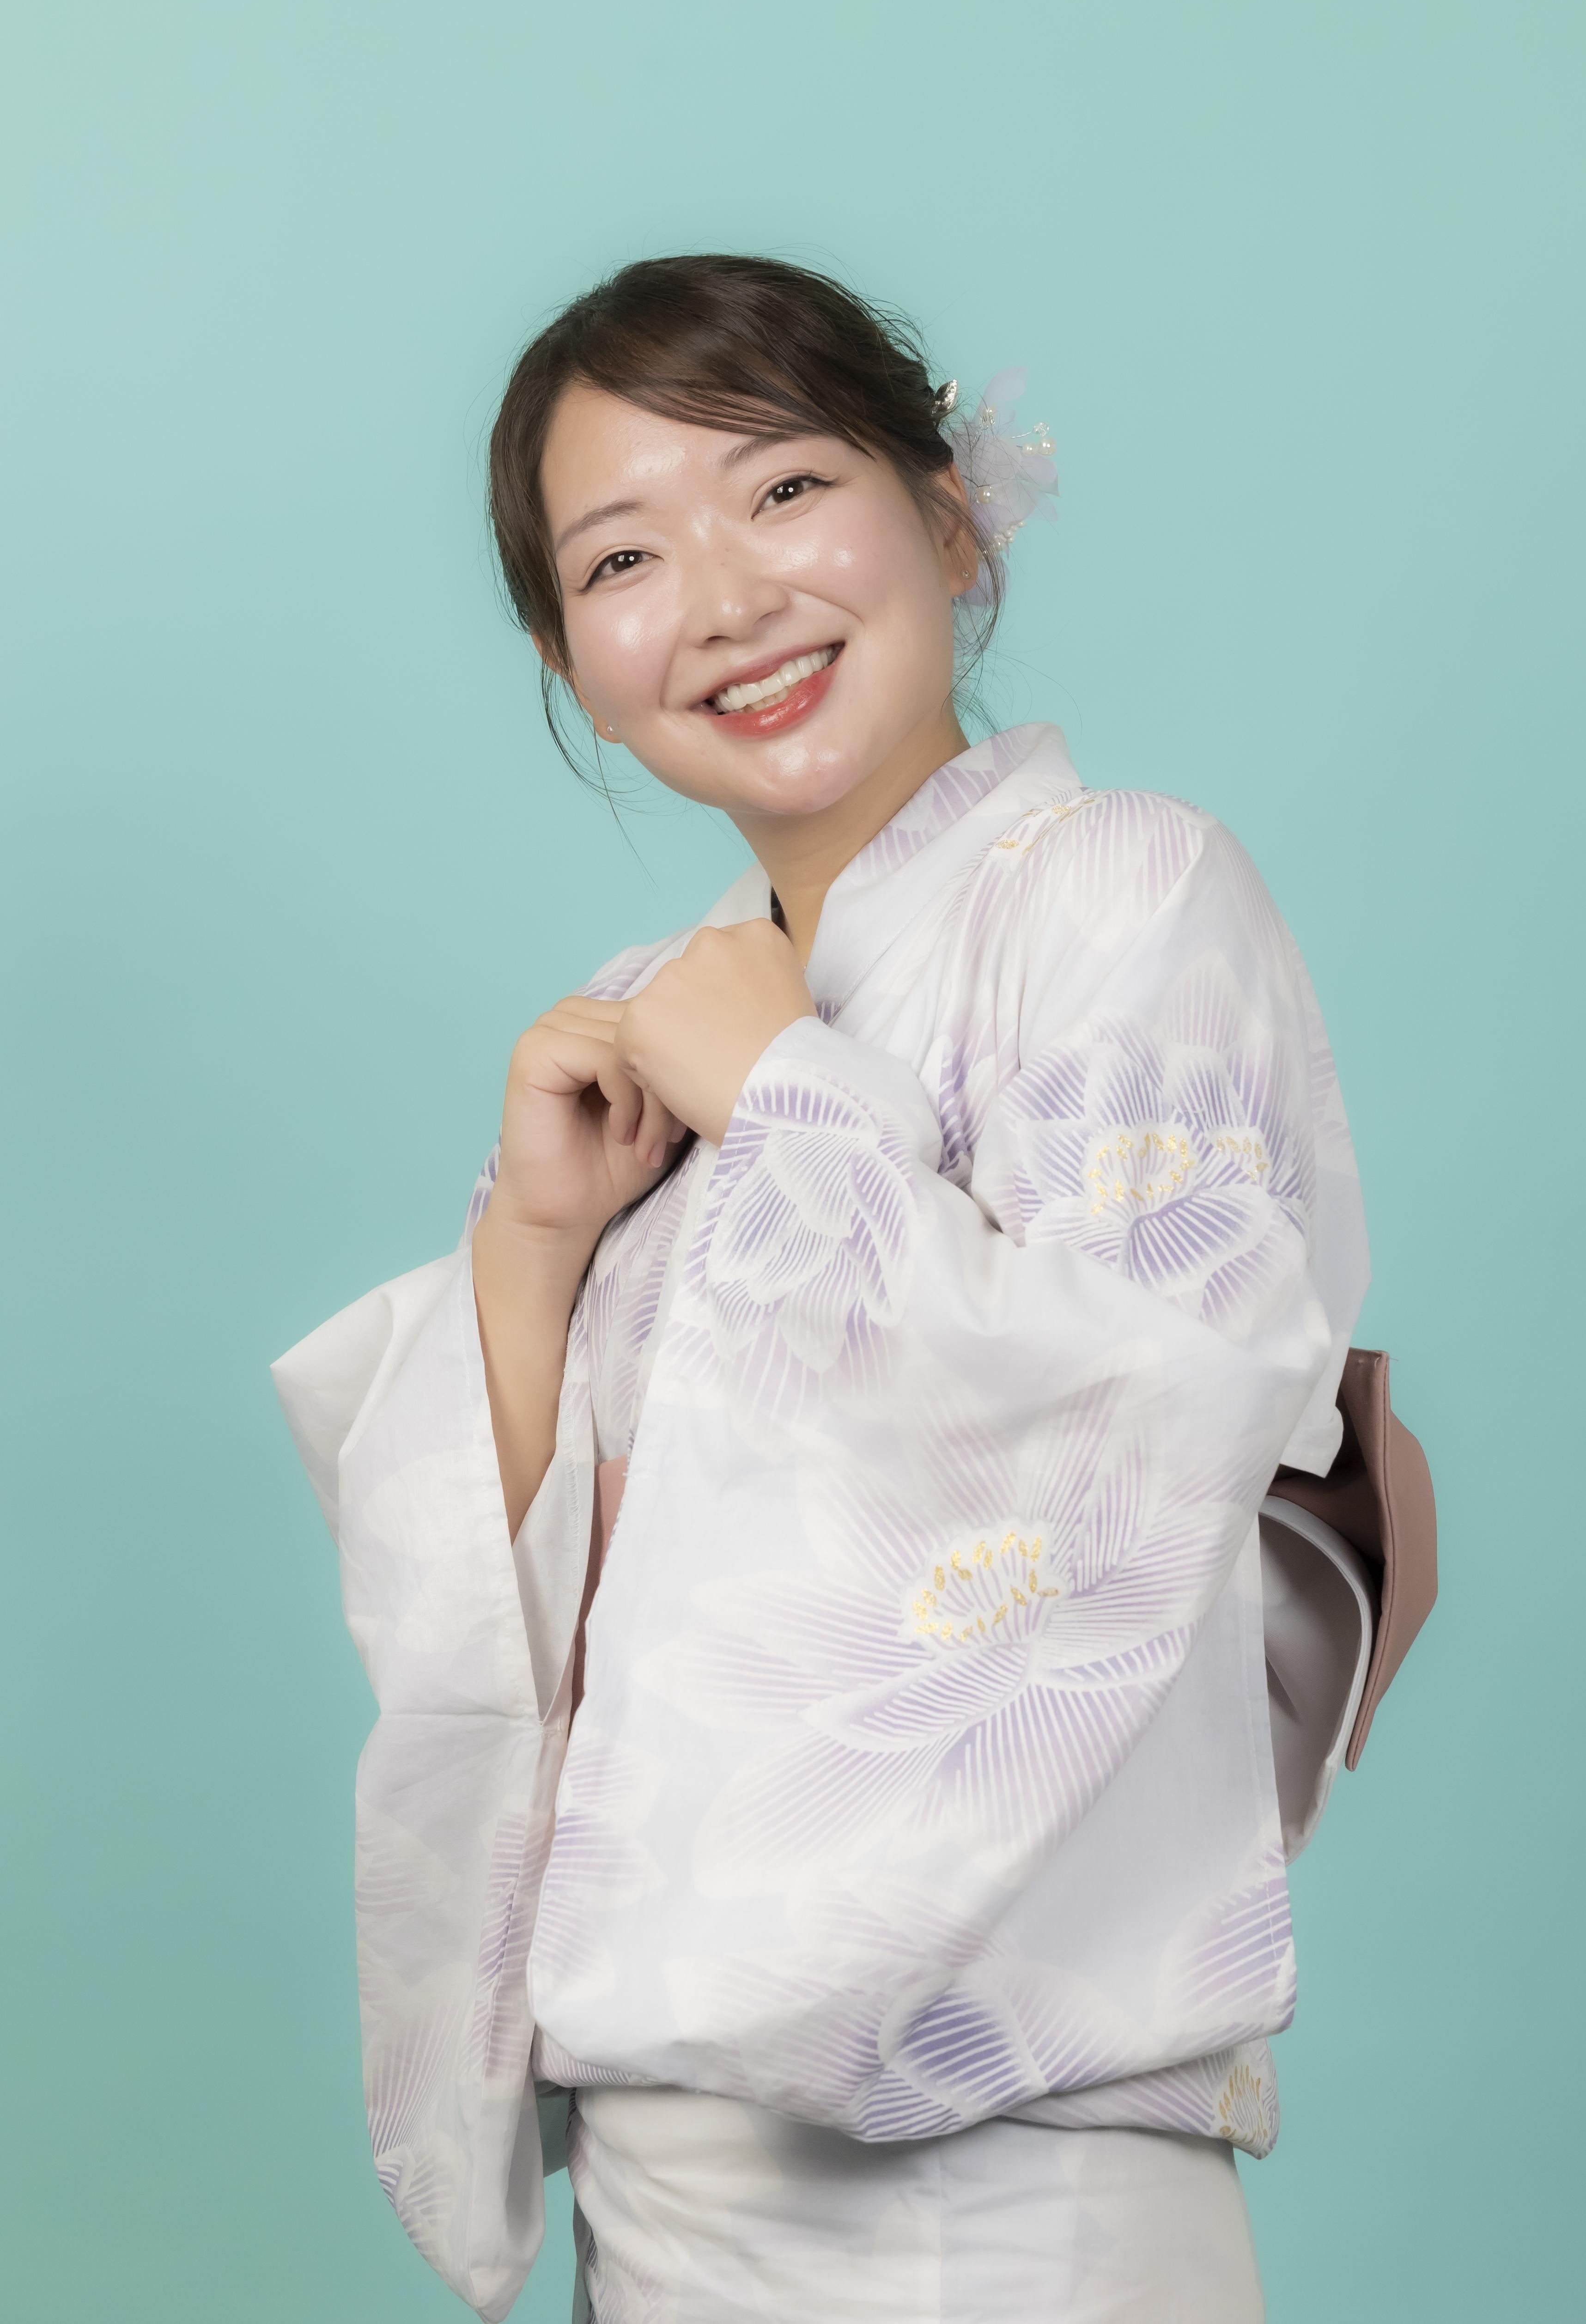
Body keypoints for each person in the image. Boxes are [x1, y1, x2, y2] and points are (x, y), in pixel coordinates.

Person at [273, 254, 1370, 2323]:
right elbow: (502, 1632)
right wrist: (532, 1249)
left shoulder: (1120, 889)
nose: (722, 596)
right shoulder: (648, 1024)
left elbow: (1152, 1416)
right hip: (666, 2176)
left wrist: (786, 1090)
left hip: (1009, 2170)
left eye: (782, 489)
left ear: (946, 518)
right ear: (569, 658)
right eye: (622, 557)